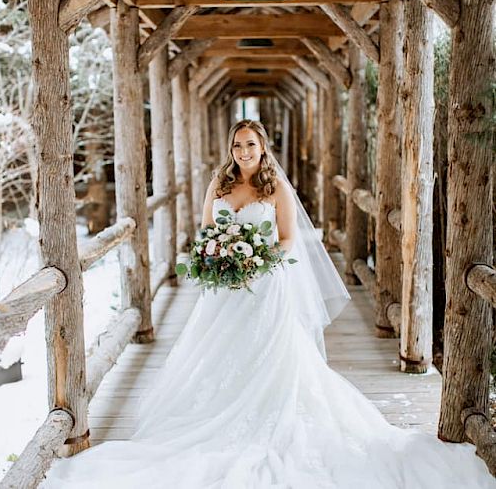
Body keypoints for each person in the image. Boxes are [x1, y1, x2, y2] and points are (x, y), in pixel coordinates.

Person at [42, 120, 495, 488]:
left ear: (263, 148)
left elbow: (287, 239)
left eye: (251, 144)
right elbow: (205, 235)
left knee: (270, 357)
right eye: (238, 145)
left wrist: (255, 260)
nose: (243, 152)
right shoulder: (217, 187)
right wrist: (218, 256)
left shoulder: (274, 187)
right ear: (231, 149)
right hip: (224, 291)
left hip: (265, 287)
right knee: (219, 356)